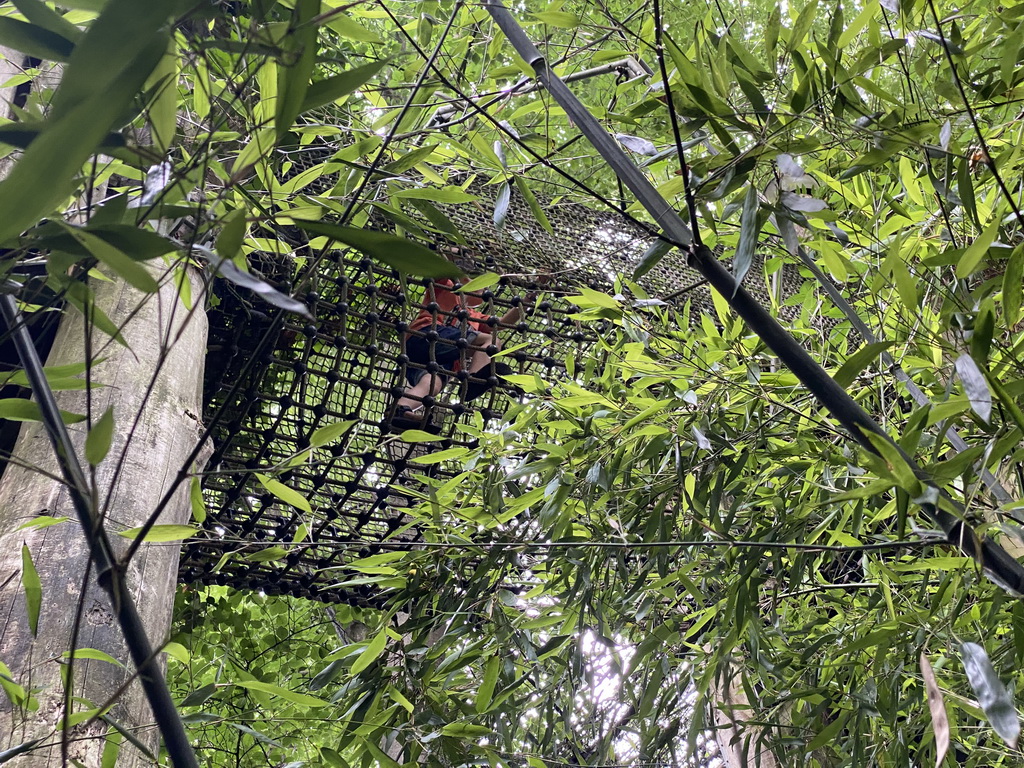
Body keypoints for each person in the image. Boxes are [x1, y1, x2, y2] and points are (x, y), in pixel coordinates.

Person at [389, 277, 542, 430]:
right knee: (490, 340)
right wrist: (462, 264)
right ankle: (473, 378)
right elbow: (447, 260)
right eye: (481, 285)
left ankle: (400, 409)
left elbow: (502, 323)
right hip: (425, 336)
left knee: (432, 385)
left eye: (484, 288)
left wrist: (529, 297)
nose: (484, 291)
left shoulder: (475, 317)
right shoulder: (447, 287)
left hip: (441, 360)